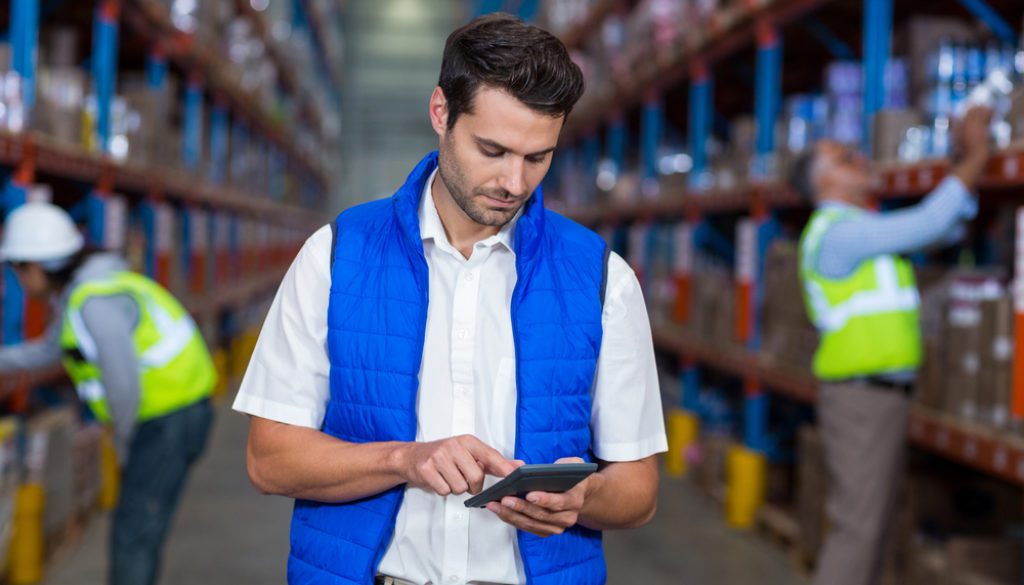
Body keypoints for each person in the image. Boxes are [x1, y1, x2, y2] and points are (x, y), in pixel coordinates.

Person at [234, 13, 666, 585]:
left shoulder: (602, 279)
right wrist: (402, 460)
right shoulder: (337, 256)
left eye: (538, 157)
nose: (514, 182)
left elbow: (638, 491)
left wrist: (583, 498)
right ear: (441, 112)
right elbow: (269, 459)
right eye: (492, 149)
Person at [789, 106, 994, 585]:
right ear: (825, 183)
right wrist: (978, 156)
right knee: (858, 533)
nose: (860, 158)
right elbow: (928, 222)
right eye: (844, 157)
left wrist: (959, 164)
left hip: (877, 397)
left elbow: (947, 224)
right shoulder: (838, 232)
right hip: (861, 398)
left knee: (871, 531)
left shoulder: (862, 228)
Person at [0, 201, 217, 585]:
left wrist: (123, 440)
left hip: (165, 422)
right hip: (178, 413)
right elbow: (52, 350)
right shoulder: (92, 290)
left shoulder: (93, 302)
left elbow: (122, 381)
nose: (18, 282)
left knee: (133, 535)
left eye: (16, 270)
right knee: (138, 530)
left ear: (35, 267)